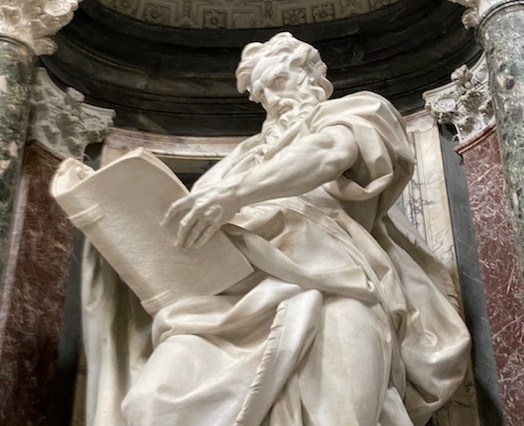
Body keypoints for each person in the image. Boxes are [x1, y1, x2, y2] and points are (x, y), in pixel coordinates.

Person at [83, 32, 470, 426]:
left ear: (311, 76)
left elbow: (329, 153)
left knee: (338, 414)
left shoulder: (358, 111)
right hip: (234, 290)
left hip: (336, 280)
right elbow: (188, 223)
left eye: (278, 81)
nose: (272, 98)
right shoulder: (241, 158)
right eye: (262, 92)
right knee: (151, 402)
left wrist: (236, 194)